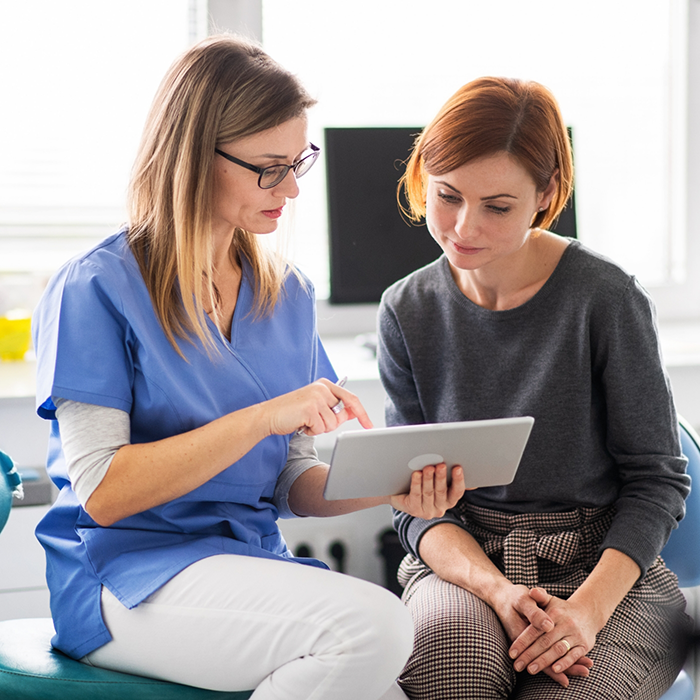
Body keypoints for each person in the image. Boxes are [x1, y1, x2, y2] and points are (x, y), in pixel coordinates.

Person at [31, 35, 465, 700]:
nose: (290, 188)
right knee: (374, 625)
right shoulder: (96, 287)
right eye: (269, 167)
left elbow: (292, 482)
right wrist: (263, 416)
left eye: (298, 163)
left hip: (246, 563)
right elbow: (103, 491)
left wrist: (387, 486)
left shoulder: (284, 295)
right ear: (193, 156)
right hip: (124, 577)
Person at [378, 76, 692, 700]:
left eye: (497, 206)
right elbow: (414, 510)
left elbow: (657, 481)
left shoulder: (605, 298)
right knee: (452, 679)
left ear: (545, 193)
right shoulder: (406, 309)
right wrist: (497, 590)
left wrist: (585, 613)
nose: (464, 227)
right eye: (446, 196)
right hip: (467, 562)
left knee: (569, 689)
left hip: (602, 565)